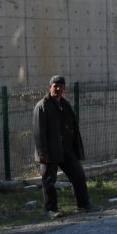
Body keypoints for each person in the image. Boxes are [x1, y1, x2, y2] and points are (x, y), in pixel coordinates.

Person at [33, 75, 91, 219]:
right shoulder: (42, 106)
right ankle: (50, 210)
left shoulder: (65, 104)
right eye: (55, 86)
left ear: (64, 88)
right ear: (50, 87)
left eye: (61, 86)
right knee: (49, 181)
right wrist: (42, 152)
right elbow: (38, 131)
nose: (58, 88)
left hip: (66, 149)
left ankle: (83, 205)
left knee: (78, 175)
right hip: (49, 151)